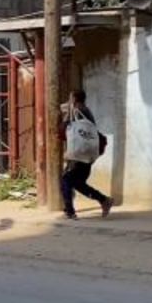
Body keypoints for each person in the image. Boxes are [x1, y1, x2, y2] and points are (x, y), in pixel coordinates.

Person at [60, 90, 112, 220]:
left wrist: (66, 114)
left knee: (66, 180)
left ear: (74, 99)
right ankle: (104, 200)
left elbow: (63, 129)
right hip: (88, 153)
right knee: (78, 183)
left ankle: (69, 211)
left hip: (78, 154)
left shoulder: (76, 111)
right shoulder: (87, 112)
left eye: (70, 98)